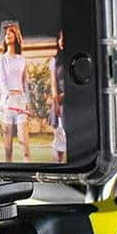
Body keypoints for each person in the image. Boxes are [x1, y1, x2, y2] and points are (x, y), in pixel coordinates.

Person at [0, 24, 31, 162]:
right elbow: (2, 82)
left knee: (24, 144)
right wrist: (8, 100)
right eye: (6, 33)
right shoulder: (2, 59)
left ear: (16, 36)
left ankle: (29, 171)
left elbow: (25, 84)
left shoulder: (22, 59)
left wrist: (27, 103)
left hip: (20, 102)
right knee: (8, 149)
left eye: (11, 32)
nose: (8, 34)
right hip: (7, 103)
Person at [50, 30, 66, 163]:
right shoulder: (54, 61)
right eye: (60, 38)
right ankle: (58, 164)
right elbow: (53, 84)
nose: (62, 41)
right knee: (59, 136)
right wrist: (56, 103)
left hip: (73, 100)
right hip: (60, 102)